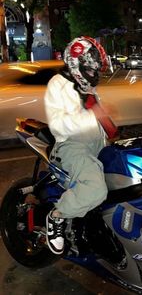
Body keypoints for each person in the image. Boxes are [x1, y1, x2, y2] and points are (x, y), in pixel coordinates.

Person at [44, 36, 118, 255]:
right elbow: (58, 126)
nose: (95, 75)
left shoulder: (86, 88)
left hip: (96, 144)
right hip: (71, 146)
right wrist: (91, 115)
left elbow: (99, 120)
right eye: (91, 70)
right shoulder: (58, 84)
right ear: (77, 65)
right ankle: (56, 216)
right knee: (95, 189)